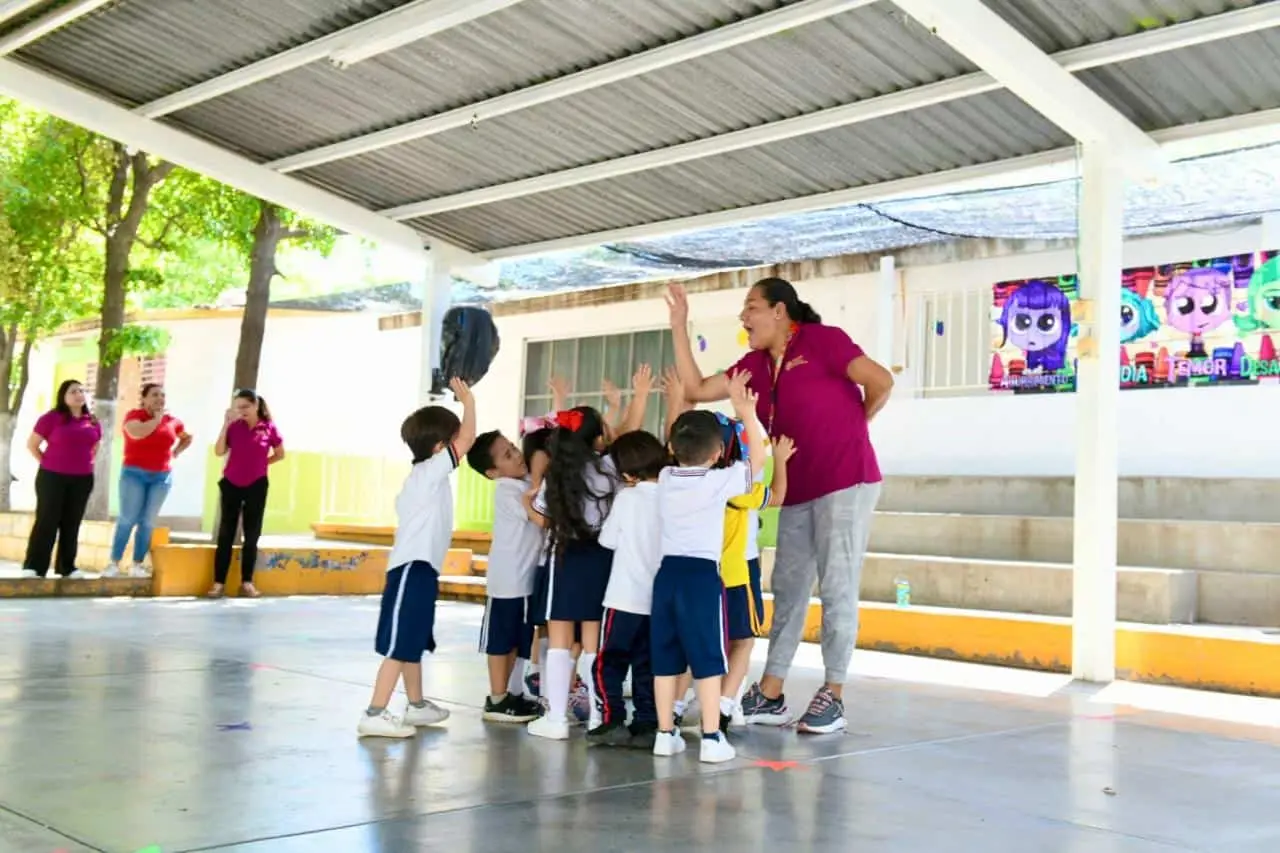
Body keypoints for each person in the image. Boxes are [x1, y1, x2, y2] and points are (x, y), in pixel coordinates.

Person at [667, 277, 893, 735]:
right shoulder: (752, 365)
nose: (744, 317)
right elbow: (692, 389)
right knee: (788, 589)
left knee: (836, 588)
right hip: (797, 489)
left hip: (847, 481)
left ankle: (834, 692)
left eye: (751, 307)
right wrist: (679, 323)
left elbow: (881, 381)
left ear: (780, 311)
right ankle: (770, 692)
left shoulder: (823, 342)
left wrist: (856, 424)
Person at [524, 366, 652, 741]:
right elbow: (627, 436)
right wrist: (638, 395)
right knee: (595, 643)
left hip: (564, 559)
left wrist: (526, 507)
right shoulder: (610, 468)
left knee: (560, 641)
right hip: (602, 561)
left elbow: (544, 519)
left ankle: (556, 719)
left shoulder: (556, 476)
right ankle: (600, 715)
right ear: (598, 439)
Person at [651, 370, 764, 763]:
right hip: (701, 578)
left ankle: (665, 735)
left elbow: (674, 443)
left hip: (665, 577)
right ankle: (713, 738)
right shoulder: (719, 481)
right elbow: (758, 466)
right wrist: (745, 412)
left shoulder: (665, 477)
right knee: (707, 656)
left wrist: (677, 406)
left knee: (666, 656)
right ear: (718, 454)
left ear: (672, 445)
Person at [358, 378, 476, 738]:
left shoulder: (429, 478)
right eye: (453, 439)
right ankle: (374, 712)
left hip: (422, 570)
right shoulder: (429, 472)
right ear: (441, 447)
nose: (460, 445)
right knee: (399, 645)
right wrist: (468, 401)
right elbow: (468, 440)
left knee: (413, 640)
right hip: (412, 569)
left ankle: (416, 705)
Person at [590, 429, 667, 749]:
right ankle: (647, 723)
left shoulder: (626, 497)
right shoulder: (672, 495)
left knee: (608, 661)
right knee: (647, 663)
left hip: (623, 598)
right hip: (657, 600)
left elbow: (607, 541)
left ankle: (613, 719)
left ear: (626, 474)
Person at [466, 429, 545, 724]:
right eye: (508, 455)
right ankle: (497, 698)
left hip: (524, 580)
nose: (517, 455)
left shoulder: (522, 483)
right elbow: (537, 513)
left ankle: (512, 695)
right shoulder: (508, 491)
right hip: (508, 582)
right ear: (492, 472)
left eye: (513, 447)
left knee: (519, 639)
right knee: (500, 641)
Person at [106, 383, 192, 577]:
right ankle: (114, 562)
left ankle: (137, 564)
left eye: (162, 395)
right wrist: (157, 419)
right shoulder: (134, 416)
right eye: (154, 395)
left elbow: (187, 437)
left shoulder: (173, 422)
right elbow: (138, 433)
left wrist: (176, 452)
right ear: (143, 399)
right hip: (134, 474)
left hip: (161, 477)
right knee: (128, 518)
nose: (159, 399)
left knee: (147, 522)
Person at [22, 379, 101, 579]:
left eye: (81, 391)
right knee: (46, 521)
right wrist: (48, 463)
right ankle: (34, 567)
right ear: (63, 396)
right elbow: (32, 445)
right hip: (52, 478)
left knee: (72, 522)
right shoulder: (51, 418)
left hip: (82, 479)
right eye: (73, 391)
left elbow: (95, 446)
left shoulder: (92, 421)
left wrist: (87, 464)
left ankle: (67, 567)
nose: (78, 394)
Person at [209, 389, 284, 599]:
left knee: (252, 535)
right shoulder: (234, 427)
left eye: (245, 407)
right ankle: (218, 583)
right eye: (238, 407)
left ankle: (247, 582)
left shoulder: (268, 428)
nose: (241, 411)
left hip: (257, 485)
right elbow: (219, 451)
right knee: (226, 533)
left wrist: (262, 464)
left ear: (256, 405)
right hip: (231, 483)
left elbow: (280, 454)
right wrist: (225, 425)